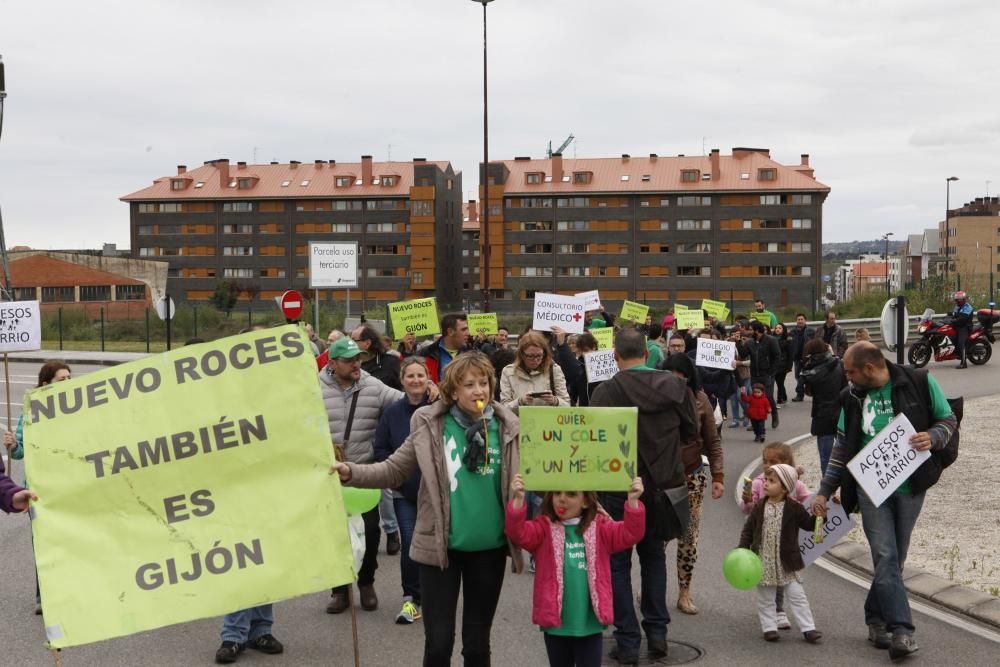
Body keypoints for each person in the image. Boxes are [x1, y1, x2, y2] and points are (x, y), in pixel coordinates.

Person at [330, 353, 522, 665]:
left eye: (484, 383)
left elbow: (544, 477)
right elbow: (393, 470)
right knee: (438, 644)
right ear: (452, 390)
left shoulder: (508, 427)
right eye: (469, 384)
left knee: (477, 645)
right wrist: (350, 472)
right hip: (439, 548)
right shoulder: (431, 424)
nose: (478, 391)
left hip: (489, 550)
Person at [812, 342, 957, 661]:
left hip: (911, 488)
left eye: (849, 371)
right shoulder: (850, 397)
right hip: (870, 491)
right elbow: (840, 448)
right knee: (885, 555)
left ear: (868, 368)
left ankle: (875, 618)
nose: (845, 377)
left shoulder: (918, 381)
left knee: (896, 559)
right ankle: (902, 631)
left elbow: (948, 421)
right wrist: (824, 490)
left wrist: (932, 437)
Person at [589, 329, 698, 664]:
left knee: (618, 564)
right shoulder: (677, 386)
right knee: (654, 558)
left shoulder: (606, 391)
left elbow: (594, 441)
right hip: (666, 486)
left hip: (619, 487)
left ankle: (627, 639)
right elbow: (691, 433)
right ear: (648, 352)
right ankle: (658, 634)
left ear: (614, 354)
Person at [505, 474, 646, 667]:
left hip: (589, 624)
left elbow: (631, 533)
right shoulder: (543, 528)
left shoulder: (600, 527)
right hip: (556, 625)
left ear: (587, 501)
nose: (562, 498)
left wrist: (633, 501)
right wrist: (519, 499)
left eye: (571, 494)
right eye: (556, 493)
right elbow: (517, 533)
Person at [320, 337, 404, 614]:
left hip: (364, 476)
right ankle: (340, 591)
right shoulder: (313, 388)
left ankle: (366, 582)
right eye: (349, 360)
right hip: (328, 477)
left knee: (369, 532)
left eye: (359, 358)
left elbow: (405, 402)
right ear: (332, 363)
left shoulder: (373, 386)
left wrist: (426, 390)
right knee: (334, 536)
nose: (357, 363)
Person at [5, 360, 71, 615]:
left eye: (69, 378)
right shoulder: (29, 415)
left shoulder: (79, 411)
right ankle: (43, 597)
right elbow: (20, 453)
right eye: (61, 379)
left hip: (70, 490)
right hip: (40, 493)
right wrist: (12, 445)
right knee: (44, 544)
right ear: (46, 384)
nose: (67, 382)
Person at [662, 353, 724, 617]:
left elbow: (713, 441)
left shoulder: (701, 402)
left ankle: (684, 593)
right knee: (658, 536)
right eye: (671, 374)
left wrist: (718, 477)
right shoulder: (656, 400)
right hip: (661, 478)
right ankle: (653, 585)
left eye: (681, 374)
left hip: (692, 476)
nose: (676, 379)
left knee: (688, 537)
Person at [374, 357, 433, 624]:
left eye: (420, 375)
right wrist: (396, 475)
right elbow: (381, 449)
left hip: (435, 493)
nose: (416, 381)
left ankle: (436, 594)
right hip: (404, 493)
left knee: (436, 544)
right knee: (410, 543)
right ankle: (412, 598)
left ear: (428, 378)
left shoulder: (439, 408)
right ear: (402, 380)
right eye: (410, 376)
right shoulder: (392, 413)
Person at [739, 464, 823, 644]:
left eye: (771, 481)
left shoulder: (795, 508)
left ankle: (808, 629)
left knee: (797, 595)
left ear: (785, 487)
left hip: (788, 562)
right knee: (765, 596)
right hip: (764, 560)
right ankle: (769, 628)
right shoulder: (759, 506)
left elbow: (809, 525)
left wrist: (819, 518)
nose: (765, 484)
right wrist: (743, 549)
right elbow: (748, 530)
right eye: (766, 480)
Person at [799, 338, 846, 474]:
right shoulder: (839, 364)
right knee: (847, 452)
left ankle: (827, 490)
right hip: (841, 412)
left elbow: (808, 391)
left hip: (822, 415)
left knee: (826, 458)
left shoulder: (811, 370)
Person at [500, 332, 571, 413]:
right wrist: (520, 401)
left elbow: (567, 405)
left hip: (548, 423)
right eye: (530, 356)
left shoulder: (554, 370)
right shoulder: (508, 371)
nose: (535, 360)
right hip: (518, 423)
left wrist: (555, 401)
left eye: (539, 356)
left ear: (545, 353)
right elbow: (504, 408)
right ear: (522, 355)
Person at [745, 320, 781, 429]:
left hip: (767, 374)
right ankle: (756, 422)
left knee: (768, 397)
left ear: (756, 330)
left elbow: (777, 356)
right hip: (755, 374)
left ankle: (774, 415)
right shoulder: (750, 342)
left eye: (751, 329)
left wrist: (771, 371)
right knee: (755, 399)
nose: (749, 332)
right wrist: (738, 343)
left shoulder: (771, 340)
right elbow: (743, 354)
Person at [420, 313, 471, 382]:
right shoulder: (427, 353)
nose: (468, 333)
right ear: (450, 332)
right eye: (463, 330)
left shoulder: (473, 354)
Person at [353, 323, 403, 390]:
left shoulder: (390, 362)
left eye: (353, 341)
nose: (350, 344)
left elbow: (400, 389)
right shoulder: (351, 365)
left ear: (367, 343)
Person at [789, 313, 815, 402]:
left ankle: (802, 394)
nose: (800, 321)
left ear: (805, 320)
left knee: (808, 376)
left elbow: (815, 343)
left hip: (808, 358)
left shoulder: (811, 331)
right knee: (797, 376)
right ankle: (801, 394)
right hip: (797, 358)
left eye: (801, 319)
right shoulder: (792, 332)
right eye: (798, 319)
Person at [950, 290, 974, 368]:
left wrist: (954, 319)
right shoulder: (957, 307)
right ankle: (956, 353)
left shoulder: (968, 307)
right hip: (958, 326)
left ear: (963, 300)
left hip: (965, 327)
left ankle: (964, 363)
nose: (957, 301)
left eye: (959, 300)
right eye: (956, 300)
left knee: (961, 343)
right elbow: (954, 315)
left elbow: (963, 318)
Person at [772, 323, 792, 405]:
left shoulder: (787, 340)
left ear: (783, 330)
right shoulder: (771, 339)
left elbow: (790, 354)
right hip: (774, 364)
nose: (777, 329)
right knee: (778, 382)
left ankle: (779, 399)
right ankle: (784, 396)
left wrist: (789, 366)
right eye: (776, 328)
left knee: (780, 382)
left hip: (783, 364)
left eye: (780, 328)